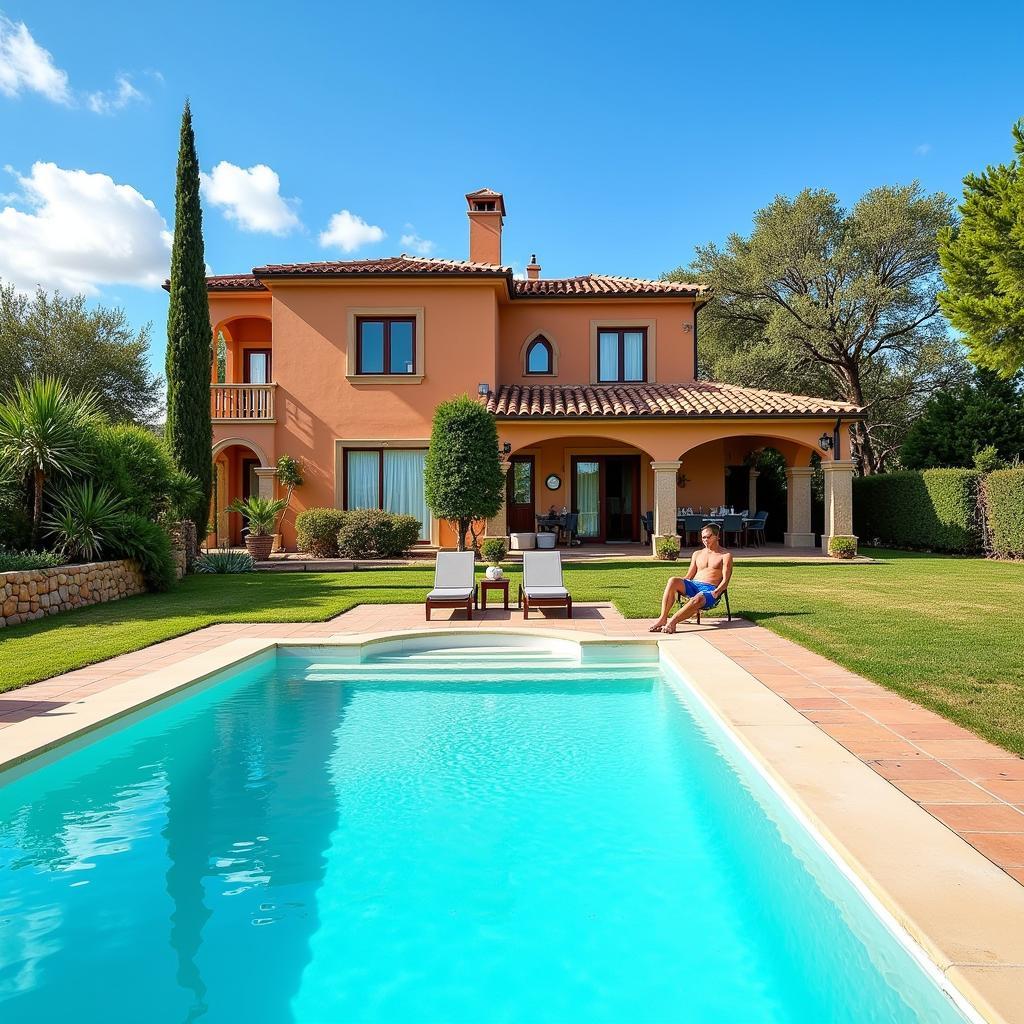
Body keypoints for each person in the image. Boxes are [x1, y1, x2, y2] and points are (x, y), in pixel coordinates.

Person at [649, 523, 733, 634]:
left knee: (699, 597)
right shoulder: (697, 554)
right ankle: (663, 618)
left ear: (717, 536)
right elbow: (689, 576)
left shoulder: (725, 555)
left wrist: (716, 592)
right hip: (693, 585)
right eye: (703, 537)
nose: (705, 540)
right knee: (673, 580)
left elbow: (726, 581)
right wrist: (680, 584)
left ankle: (672, 623)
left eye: (709, 537)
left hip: (710, 590)